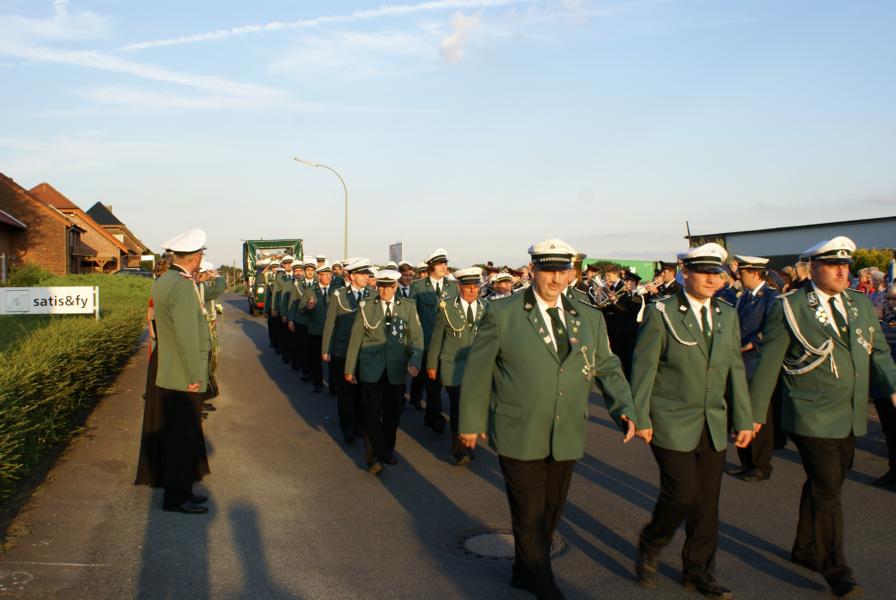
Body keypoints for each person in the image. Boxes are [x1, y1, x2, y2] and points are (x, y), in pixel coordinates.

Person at [460, 238, 636, 600]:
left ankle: (523, 571)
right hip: (518, 428)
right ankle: (543, 583)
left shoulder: (588, 316)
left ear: (571, 273)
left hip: (566, 428)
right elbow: (478, 370)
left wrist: (624, 407)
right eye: (548, 270)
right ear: (532, 270)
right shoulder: (503, 312)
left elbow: (606, 365)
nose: (555, 279)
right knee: (529, 511)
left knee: (551, 510)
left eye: (562, 271)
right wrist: (470, 421)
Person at [750, 236, 896, 598]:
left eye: (845, 265)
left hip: (849, 412)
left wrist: (893, 388)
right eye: (833, 265)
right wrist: (752, 414)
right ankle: (836, 568)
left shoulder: (859, 303)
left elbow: (877, 350)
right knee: (828, 486)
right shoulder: (791, 307)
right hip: (810, 412)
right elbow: (768, 364)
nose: (842, 272)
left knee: (827, 481)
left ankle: (804, 546)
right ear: (814, 268)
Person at [631, 242, 755, 599]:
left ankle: (699, 571)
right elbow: (644, 367)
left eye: (717, 273)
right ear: (685, 273)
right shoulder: (663, 312)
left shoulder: (727, 314)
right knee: (682, 493)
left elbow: (734, 369)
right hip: (671, 418)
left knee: (706, 503)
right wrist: (640, 415)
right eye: (704, 273)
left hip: (712, 421)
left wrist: (744, 418)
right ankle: (652, 540)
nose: (713, 280)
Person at [150, 228, 213, 514]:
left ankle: (181, 489)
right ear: (196, 257)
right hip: (184, 375)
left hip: (170, 371)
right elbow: (187, 336)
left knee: (177, 435)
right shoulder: (183, 286)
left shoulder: (165, 280)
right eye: (201, 254)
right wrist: (195, 375)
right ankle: (177, 496)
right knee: (182, 438)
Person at [345, 269, 424, 475]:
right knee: (372, 411)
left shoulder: (408, 306)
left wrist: (415, 361)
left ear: (396, 287)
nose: (385, 291)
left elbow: (416, 337)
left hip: (396, 368)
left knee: (392, 412)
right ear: (377, 286)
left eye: (389, 287)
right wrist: (349, 369)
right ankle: (373, 455)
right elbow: (355, 339)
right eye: (381, 287)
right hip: (371, 367)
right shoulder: (366, 306)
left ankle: (388, 448)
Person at [426, 267, 488, 465]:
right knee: (459, 405)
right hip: (453, 364)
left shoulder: (487, 308)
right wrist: (431, 364)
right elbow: (437, 338)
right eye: (468, 287)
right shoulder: (446, 307)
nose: (472, 291)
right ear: (460, 287)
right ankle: (460, 448)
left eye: (475, 287)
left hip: (477, 366)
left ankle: (467, 442)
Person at [727, 255, 779, 482]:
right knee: (741, 412)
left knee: (758, 415)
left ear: (756, 273)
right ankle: (746, 461)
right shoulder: (744, 297)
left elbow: (773, 329)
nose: (739, 276)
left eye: (743, 272)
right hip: (740, 362)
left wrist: (752, 343)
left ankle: (760, 464)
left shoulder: (771, 298)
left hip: (757, 363)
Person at [322, 259, 373, 442]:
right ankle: (348, 428)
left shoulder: (373, 294)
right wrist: (326, 349)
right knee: (346, 392)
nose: (367, 277)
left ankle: (360, 424)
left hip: (365, 351)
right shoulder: (339, 295)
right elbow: (330, 324)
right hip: (342, 350)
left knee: (363, 391)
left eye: (367, 274)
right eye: (363, 274)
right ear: (352, 276)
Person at [409, 248, 458, 434]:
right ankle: (435, 417)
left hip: (449, 343)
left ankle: (446, 419)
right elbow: (412, 316)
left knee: (452, 385)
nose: (445, 267)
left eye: (445, 263)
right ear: (431, 267)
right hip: (428, 342)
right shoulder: (418, 287)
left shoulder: (453, 286)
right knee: (432, 384)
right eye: (440, 264)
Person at [300, 263, 337, 393]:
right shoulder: (310, 291)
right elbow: (301, 310)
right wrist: (307, 307)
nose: (327, 277)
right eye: (324, 275)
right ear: (319, 276)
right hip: (316, 330)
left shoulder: (337, 291)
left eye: (329, 274)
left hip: (332, 331)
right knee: (316, 359)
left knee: (333, 360)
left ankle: (333, 386)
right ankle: (318, 383)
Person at [873, 284, 896, 488]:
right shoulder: (887, 318)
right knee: (889, 431)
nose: (890, 302)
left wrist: (877, 321)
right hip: (882, 385)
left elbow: (886, 338)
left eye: (894, 299)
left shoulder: (885, 321)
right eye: (888, 298)